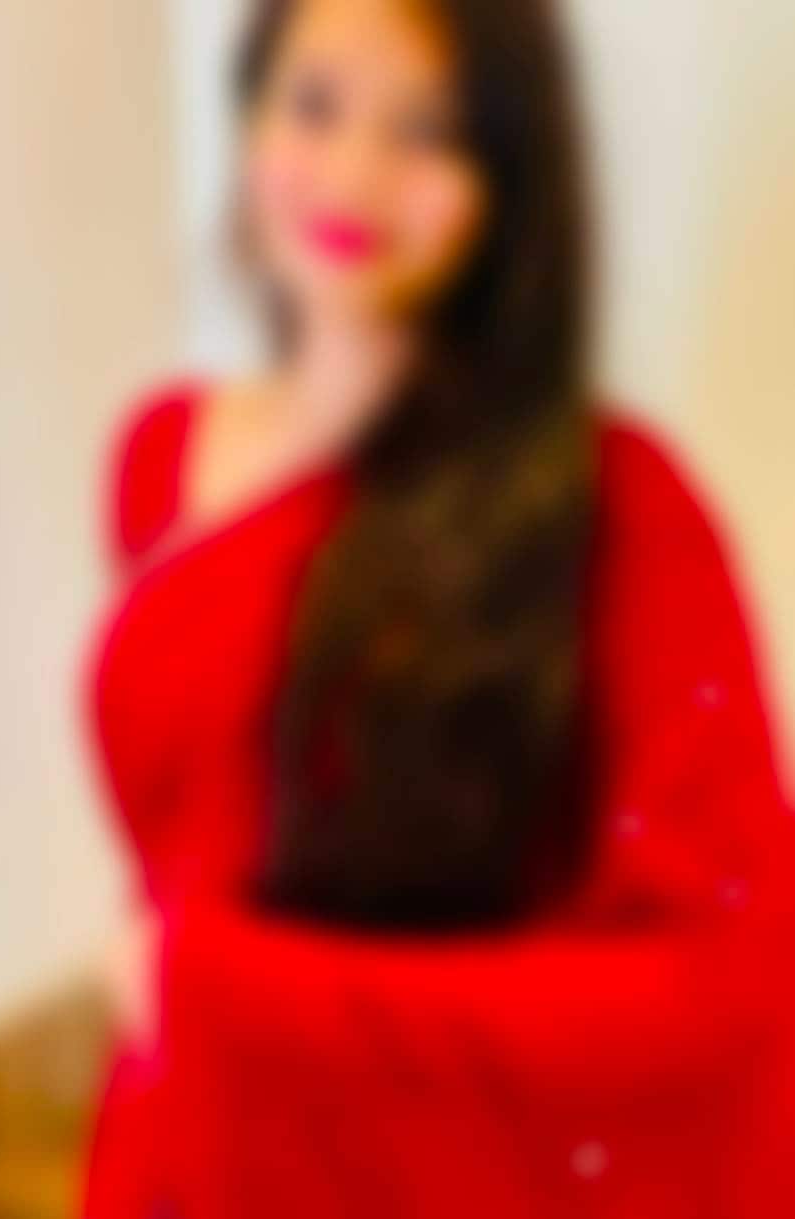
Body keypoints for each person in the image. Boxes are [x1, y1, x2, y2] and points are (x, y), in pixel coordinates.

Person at [78, 1, 795, 1215]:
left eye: (426, 131)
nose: (352, 174)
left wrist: (231, 997)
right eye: (313, 105)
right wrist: (186, 1012)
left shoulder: (615, 508)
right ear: (248, 118)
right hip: (179, 1145)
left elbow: (724, 975)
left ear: (509, 181)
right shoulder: (162, 453)